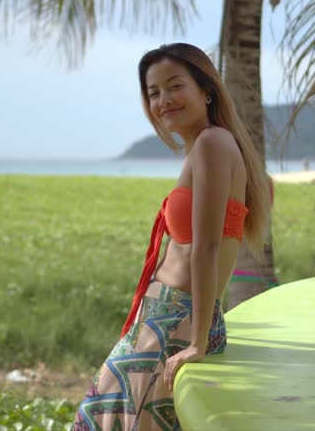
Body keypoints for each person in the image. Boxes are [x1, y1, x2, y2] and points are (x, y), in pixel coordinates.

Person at [71, 43, 272, 430]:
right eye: (154, 92)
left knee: (103, 422)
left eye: (175, 86)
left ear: (206, 90)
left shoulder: (213, 143)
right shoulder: (204, 146)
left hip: (176, 319)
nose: (164, 100)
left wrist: (197, 343)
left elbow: (207, 247)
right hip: (165, 316)